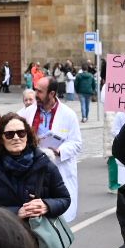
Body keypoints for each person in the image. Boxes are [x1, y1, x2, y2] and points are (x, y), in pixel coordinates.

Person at [0, 112, 71, 248]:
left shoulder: (44, 163)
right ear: (1, 138)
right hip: (4, 244)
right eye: (9, 134)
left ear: (28, 135)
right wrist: (16, 213)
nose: (16, 137)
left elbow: (64, 198)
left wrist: (46, 205)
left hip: (39, 244)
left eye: (21, 133)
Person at [20, 77, 82, 224]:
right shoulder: (28, 112)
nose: (36, 94)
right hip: (33, 169)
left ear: (51, 93)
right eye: (35, 90)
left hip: (57, 168)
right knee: (35, 214)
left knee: (58, 215)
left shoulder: (68, 115)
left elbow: (77, 143)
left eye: (40, 91)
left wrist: (59, 151)